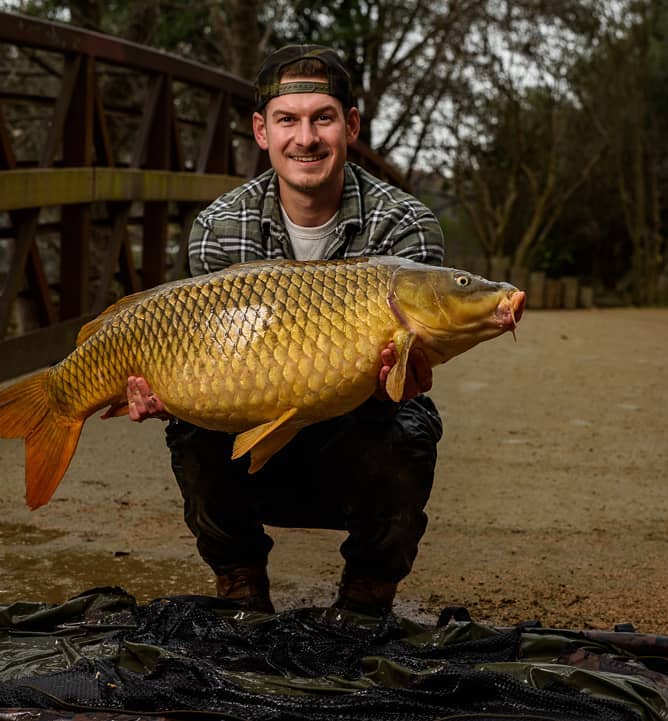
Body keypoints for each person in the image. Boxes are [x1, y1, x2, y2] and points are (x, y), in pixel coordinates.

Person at [126, 45, 445, 616]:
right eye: (287, 120)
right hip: (253, 421)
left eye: (322, 118)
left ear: (349, 125)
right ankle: (241, 584)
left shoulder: (405, 224)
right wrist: (172, 392)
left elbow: (413, 360)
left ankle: (366, 598)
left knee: (412, 423)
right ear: (261, 131)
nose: (306, 139)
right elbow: (205, 356)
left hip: (356, 425)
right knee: (191, 431)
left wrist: (398, 377)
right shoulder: (219, 227)